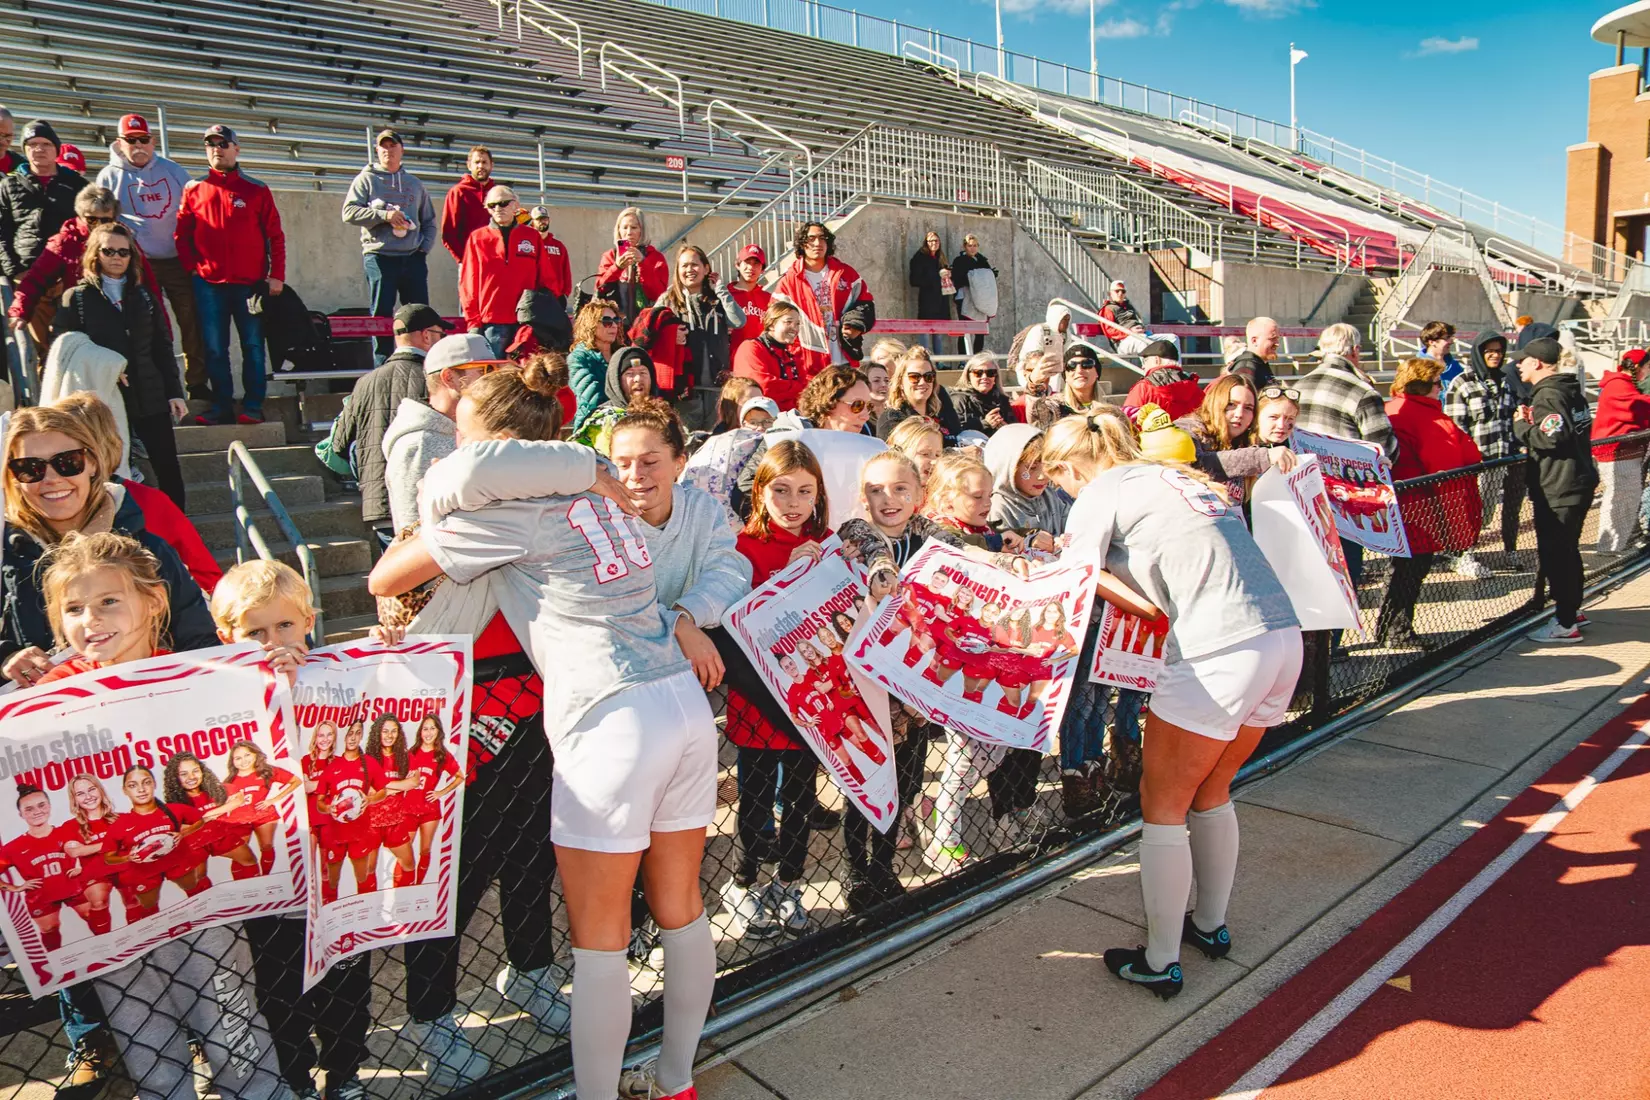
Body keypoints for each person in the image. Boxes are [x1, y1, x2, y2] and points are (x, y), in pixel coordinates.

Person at [369, 361, 719, 1100]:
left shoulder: (511, 508)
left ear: (490, 445)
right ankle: (678, 1081)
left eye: (460, 438)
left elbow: (386, 578)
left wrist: (437, 519)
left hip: (610, 716)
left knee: (599, 942)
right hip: (680, 707)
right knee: (682, 911)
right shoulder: (600, 495)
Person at [1045, 408, 1299, 1000]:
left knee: (1162, 806)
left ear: (1066, 466)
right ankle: (1209, 925)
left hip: (1218, 648)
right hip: (1281, 637)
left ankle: (1161, 959)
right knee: (1213, 790)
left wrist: (1061, 561)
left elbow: (1078, 578)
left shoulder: (1099, 492)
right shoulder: (1170, 475)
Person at [34, 531, 291, 1098]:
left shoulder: (199, 678)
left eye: (108, 601)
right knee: (143, 1037)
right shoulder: (42, 699)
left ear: (153, 601)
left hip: (201, 900)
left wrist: (287, 676)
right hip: (112, 906)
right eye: (73, 608)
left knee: (231, 1023)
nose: (90, 620)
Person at [2, 403, 216, 687]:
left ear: (92, 462)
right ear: (13, 478)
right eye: (30, 468)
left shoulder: (149, 551)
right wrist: (6, 657)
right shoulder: (5, 554)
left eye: (68, 462)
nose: (52, 479)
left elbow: (201, 644)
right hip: (35, 721)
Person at [718, 440, 829, 939]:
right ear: (760, 492)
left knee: (802, 795)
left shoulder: (826, 544)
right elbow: (737, 621)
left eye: (805, 492)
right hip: (759, 699)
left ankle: (790, 881)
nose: (792, 503)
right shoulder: (743, 549)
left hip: (809, 697)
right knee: (756, 797)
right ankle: (744, 882)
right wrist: (788, 577)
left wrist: (821, 568)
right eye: (780, 490)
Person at [52, 221, 187, 506]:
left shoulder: (145, 297)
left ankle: (178, 529)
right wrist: (108, 365)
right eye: (109, 251)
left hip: (150, 393)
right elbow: (66, 348)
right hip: (103, 399)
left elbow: (162, 348)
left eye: (123, 252)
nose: (116, 257)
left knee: (167, 466)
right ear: (95, 254)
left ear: (132, 256)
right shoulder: (76, 298)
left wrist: (175, 392)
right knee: (110, 468)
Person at [56, 390, 222, 593]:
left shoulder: (148, 503)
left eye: (66, 456)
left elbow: (208, 580)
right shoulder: (35, 506)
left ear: (96, 452)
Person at [174, 124, 284, 426]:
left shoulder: (257, 189)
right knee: (214, 348)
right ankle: (221, 405)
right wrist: (192, 268)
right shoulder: (193, 188)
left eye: (223, 143)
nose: (216, 149)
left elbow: (275, 235)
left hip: (250, 284)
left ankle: (252, 405)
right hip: (209, 284)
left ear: (236, 149)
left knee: (252, 346)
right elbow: (181, 234)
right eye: (210, 144)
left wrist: (277, 275)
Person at [96, 113, 206, 399]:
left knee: (191, 320)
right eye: (131, 140)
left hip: (176, 260)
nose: (139, 145)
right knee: (148, 326)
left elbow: (198, 210)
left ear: (153, 140)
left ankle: (196, 383)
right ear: (120, 143)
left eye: (144, 139)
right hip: (138, 263)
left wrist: (196, 255)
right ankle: (157, 386)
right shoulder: (108, 176)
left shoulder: (174, 171)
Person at [1378, 358, 1484, 648]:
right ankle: (1398, 632)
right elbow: (1456, 460)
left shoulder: (1392, 409)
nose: (1441, 388)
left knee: (1399, 569)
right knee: (1411, 571)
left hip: (1398, 503)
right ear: (1424, 385)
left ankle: (1388, 627)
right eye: (1438, 384)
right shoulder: (1427, 418)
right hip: (1422, 506)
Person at [327, 303, 453, 542]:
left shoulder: (365, 382)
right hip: (427, 504)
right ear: (426, 336)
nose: (442, 340)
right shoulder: (436, 379)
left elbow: (339, 444)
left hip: (380, 503)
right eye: (440, 334)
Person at [1294, 323, 1397, 613]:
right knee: (1345, 572)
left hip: (1306, 494)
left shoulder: (1298, 387)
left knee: (1313, 573)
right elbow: (1384, 449)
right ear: (1355, 351)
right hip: (1346, 501)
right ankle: (1334, 646)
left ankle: (1317, 648)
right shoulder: (1362, 392)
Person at [9, 185, 166, 357]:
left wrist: (164, 332)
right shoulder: (65, 241)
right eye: (92, 220)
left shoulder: (123, 239)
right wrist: (20, 312)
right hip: (82, 321)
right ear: (80, 216)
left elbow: (149, 284)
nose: (98, 225)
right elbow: (35, 279)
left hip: (123, 318)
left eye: (105, 221)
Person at [1513, 337, 1597, 643]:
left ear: (1536, 362)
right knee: (1568, 552)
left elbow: (1552, 438)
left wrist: (1521, 427)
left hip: (1559, 487)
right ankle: (1572, 611)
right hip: (1576, 481)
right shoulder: (1571, 391)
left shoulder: (1548, 394)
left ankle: (1564, 624)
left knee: (1557, 555)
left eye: (1523, 360)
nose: (1519, 365)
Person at [381, 331, 506, 533]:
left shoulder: (470, 429)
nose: (493, 380)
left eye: (496, 370)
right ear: (449, 377)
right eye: (484, 370)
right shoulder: (419, 443)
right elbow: (413, 533)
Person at [343, 129, 437, 365]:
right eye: (383, 146)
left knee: (419, 315)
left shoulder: (414, 184)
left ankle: (420, 363)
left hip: (412, 257)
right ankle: (382, 365)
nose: (388, 150)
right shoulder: (366, 179)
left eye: (392, 146)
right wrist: (384, 215)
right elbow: (349, 212)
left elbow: (429, 221)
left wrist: (422, 249)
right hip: (379, 257)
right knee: (381, 315)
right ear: (377, 150)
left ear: (401, 149)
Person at [459, 185, 570, 358]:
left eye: (503, 203)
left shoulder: (532, 237)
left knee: (527, 378)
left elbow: (546, 277)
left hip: (527, 322)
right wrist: (474, 322)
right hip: (492, 324)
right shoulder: (477, 239)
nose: (498, 208)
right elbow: (468, 285)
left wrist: (554, 308)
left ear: (515, 205)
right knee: (495, 379)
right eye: (492, 205)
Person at [1443, 330, 1524, 559]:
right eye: (1489, 351)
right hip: (1477, 462)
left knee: (1487, 514)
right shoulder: (1463, 383)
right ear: (1479, 352)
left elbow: (1509, 419)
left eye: (1499, 351)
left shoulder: (1505, 381)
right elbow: (1456, 427)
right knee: (1472, 513)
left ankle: (1506, 552)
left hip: (1502, 458)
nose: (1495, 355)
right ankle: (1461, 556)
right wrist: (1467, 460)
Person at [0, 120, 90, 321]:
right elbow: (2, 233)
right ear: (24, 149)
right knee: (38, 345)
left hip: (69, 276)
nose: (39, 149)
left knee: (72, 337)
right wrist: (16, 271)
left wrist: (75, 271)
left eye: (46, 144)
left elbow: (88, 231)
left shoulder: (77, 184)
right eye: (32, 144)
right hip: (26, 275)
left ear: (56, 149)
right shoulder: (8, 185)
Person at [1174, 375, 1295, 511]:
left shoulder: (1243, 441)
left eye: (1248, 408)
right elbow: (1193, 464)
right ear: (1216, 402)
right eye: (1231, 404)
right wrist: (1261, 457)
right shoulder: (1186, 429)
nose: (1239, 414)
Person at [772, 221, 875, 378]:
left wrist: (857, 324)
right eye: (811, 238)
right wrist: (794, 350)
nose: (817, 243)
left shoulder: (846, 273)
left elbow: (866, 305)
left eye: (822, 238)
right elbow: (774, 321)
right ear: (802, 243)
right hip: (808, 364)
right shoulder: (789, 281)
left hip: (844, 360)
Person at [659, 243, 745, 431]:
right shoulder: (668, 300)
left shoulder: (717, 298)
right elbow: (651, 332)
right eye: (684, 266)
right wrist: (670, 336)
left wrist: (722, 290)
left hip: (718, 389)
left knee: (716, 441)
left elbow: (738, 321)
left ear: (706, 268)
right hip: (685, 392)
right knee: (688, 444)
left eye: (694, 265)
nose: (689, 270)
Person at [1593, 348, 1650, 551]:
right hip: (1616, 453)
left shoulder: (1622, 384)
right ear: (1637, 367)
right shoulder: (1618, 385)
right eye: (1647, 367)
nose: (1648, 371)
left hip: (1624, 452)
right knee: (1619, 498)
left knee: (1626, 498)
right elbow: (1639, 407)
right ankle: (1610, 548)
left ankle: (1615, 546)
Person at [983, 422, 1068, 554]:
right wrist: (1030, 541)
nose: (1042, 476)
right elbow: (1004, 546)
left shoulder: (1050, 496)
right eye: (1032, 468)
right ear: (1007, 468)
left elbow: (1069, 523)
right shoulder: (998, 507)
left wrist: (1066, 539)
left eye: (1046, 466)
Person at [573, 345, 658, 453]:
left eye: (643, 373)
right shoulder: (604, 419)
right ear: (616, 380)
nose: (638, 379)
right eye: (630, 374)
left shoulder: (661, 414)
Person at [594, 206, 669, 328]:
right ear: (618, 230)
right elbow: (600, 288)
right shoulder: (610, 256)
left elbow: (659, 295)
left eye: (634, 227)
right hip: (614, 325)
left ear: (642, 230)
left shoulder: (655, 257)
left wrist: (643, 264)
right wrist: (617, 267)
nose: (629, 232)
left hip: (646, 326)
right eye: (624, 227)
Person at [732, 300, 807, 412]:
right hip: (758, 420)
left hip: (790, 420)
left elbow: (806, 390)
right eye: (788, 322)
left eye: (797, 324)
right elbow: (763, 387)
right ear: (772, 324)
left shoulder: (792, 354)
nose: (795, 328)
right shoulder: (751, 347)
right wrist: (796, 387)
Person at [877, 345, 960, 441]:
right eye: (914, 377)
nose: (922, 382)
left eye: (928, 376)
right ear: (900, 382)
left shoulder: (942, 412)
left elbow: (958, 435)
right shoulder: (892, 419)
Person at [567, 297, 623, 433]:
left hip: (622, 425)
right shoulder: (578, 357)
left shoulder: (622, 354)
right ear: (590, 325)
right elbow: (589, 398)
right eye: (607, 322)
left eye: (616, 321)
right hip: (593, 427)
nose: (614, 326)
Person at [441, 145, 496, 267]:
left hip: (497, 263)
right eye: (476, 162)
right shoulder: (458, 192)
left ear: (491, 165)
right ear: (469, 165)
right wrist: (463, 259)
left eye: (484, 162)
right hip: (470, 263)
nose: (480, 166)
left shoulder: (498, 193)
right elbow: (449, 233)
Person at [1125, 339, 1203, 421]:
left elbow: (1127, 421)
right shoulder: (1195, 389)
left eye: (1145, 361)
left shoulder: (1143, 388)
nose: (1143, 366)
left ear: (1156, 360)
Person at [950, 234, 997, 355]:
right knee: (964, 329)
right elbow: (958, 278)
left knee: (980, 330)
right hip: (965, 298)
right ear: (965, 246)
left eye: (975, 246)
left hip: (981, 299)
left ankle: (978, 356)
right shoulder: (959, 261)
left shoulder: (982, 260)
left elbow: (988, 278)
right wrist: (973, 279)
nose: (973, 248)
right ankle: (962, 359)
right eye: (970, 246)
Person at [796, 363, 875, 434]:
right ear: (828, 403)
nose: (866, 417)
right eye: (857, 405)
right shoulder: (796, 446)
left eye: (869, 406)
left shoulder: (868, 446)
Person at [950, 352, 1015, 436]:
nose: (984, 377)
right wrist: (984, 423)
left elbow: (1014, 427)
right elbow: (953, 430)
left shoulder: (1002, 400)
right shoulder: (959, 399)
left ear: (995, 377)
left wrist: (1006, 428)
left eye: (990, 373)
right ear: (968, 376)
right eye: (978, 373)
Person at [908, 230, 950, 355]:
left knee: (938, 333)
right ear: (926, 243)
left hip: (940, 299)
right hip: (927, 299)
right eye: (931, 241)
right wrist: (935, 278)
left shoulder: (940, 257)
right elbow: (914, 280)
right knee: (925, 331)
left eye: (936, 241)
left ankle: (939, 362)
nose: (934, 243)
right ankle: (925, 358)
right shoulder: (919, 257)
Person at [1041, 342, 1107, 419]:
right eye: (1071, 366)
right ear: (1065, 375)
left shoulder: (1110, 411)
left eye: (1087, 364)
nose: (1079, 370)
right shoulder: (1053, 408)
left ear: (1097, 372)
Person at [727, 243, 771, 360]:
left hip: (760, 360)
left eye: (756, 263)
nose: (751, 268)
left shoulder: (769, 299)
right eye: (747, 262)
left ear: (762, 269)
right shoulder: (726, 296)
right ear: (737, 265)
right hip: (732, 361)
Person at [884, 414, 944, 484]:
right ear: (899, 454)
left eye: (937, 455)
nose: (935, 461)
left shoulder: (943, 493)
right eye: (925, 454)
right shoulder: (886, 492)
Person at [1225, 316, 1280, 389]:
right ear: (1254, 341)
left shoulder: (1260, 364)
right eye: (1272, 338)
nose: (1277, 343)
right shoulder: (1246, 369)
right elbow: (1243, 398)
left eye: (1277, 339)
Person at [1099, 279, 1150, 356]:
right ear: (1110, 294)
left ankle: (1171, 367)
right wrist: (1130, 331)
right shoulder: (1108, 309)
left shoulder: (1128, 306)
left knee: (1171, 338)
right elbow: (1109, 330)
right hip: (1123, 342)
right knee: (1143, 341)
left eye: (1123, 291)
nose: (1120, 293)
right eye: (1117, 291)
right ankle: (1148, 367)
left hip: (1140, 335)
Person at [1419, 319, 1463, 391]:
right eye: (1447, 338)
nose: (1451, 341)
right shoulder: (1417, 367)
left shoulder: (1455, 366)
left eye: (1451, 337)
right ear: (1432, 342)